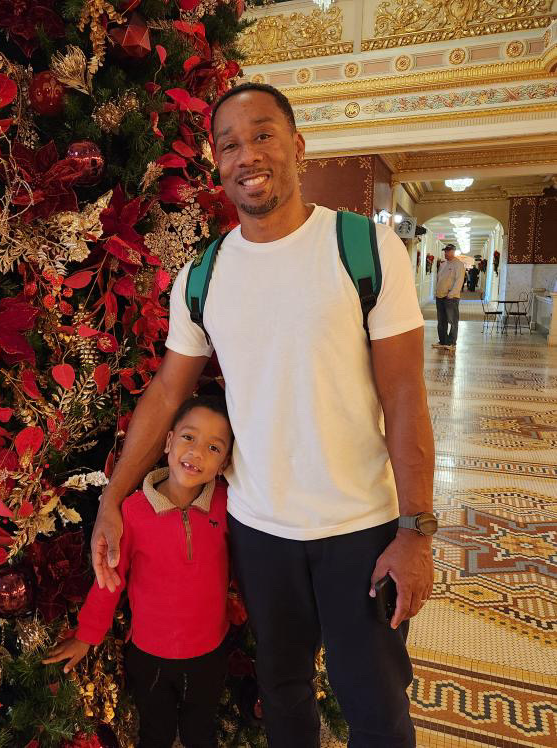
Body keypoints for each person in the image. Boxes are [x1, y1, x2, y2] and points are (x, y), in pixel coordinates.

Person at [91, 82, 435, 748]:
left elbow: (403, 395)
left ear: (298, 148)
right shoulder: (204, 274)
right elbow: (167, 393)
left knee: (377, 709)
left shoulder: (361, 247)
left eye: (264, 134)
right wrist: (115, 497)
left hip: (359, 530)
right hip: (259, 532)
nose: (248, 154)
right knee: (282, 696)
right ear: (217, 164)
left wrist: (415, 529)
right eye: (229, 144)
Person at [44, 396, 233, 748]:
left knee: (200, 733)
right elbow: (109, 580)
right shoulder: (133, 511)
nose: (197, 453)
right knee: (155, 734)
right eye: (189, 438)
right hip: (150, 657)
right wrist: (87, 634)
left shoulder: (227, 506)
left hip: (209, 653)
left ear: (224, 463)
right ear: (168, 442)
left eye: (213, 447)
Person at [433, 244, 466, 352]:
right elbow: (439, 278)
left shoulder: (458, 264)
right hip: (440, 296)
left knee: (452, 320)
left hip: (451, 298)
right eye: (445, 251)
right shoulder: (443, 264)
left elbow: (459, 281)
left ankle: (452, 342)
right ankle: (442, 341)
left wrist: (451, 294)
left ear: (453, 251)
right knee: (441, 321)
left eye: (447, 251)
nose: (445, 253)